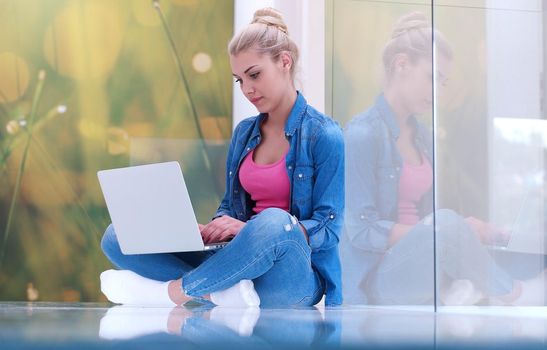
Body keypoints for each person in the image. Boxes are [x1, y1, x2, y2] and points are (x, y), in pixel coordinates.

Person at [99, 7, 344, 308]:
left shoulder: (324, 135)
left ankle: (176, 292)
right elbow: (231, 205)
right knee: (117, 236)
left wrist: (251, 229)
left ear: (284, 62)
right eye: (239, 80)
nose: (247, 89)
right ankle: (221, 293)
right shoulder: (244, 133)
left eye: (254, 75)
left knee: (274, 222)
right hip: (239, 262)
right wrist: (214, 228)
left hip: (293, 274)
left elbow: (329, 228)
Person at [340, 12, 523, 305]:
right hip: (378, 278)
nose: (438, 91)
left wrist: (462, 228)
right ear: (401, 65)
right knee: (449, 224)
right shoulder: (361, 135)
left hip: (421, 266)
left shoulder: (423, 137)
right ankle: (509, 293)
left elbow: (430, 222)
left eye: (443, 82)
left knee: (456, 224)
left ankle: (480, 286)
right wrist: (443, 230)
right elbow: (362, 231)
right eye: (433, 77)